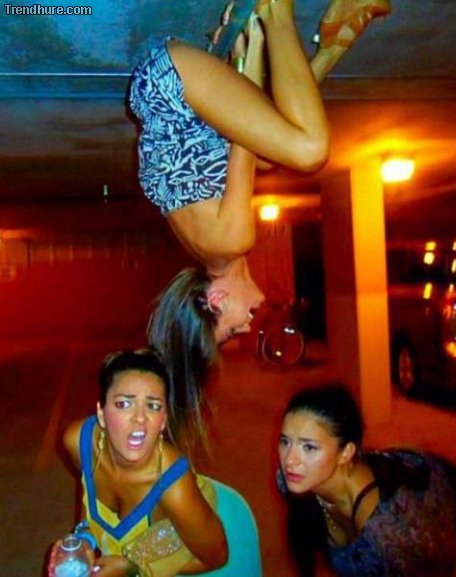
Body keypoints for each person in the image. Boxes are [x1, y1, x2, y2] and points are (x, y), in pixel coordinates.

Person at [130, 0, 392, 446]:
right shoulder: (208, 250)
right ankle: (332, 42)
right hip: (168, 92)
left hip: (172, 82)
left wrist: (254, 40)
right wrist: (246, 53)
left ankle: (276, 10)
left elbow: (243, 144)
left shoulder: (231, 241)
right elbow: (246, 148)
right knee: (275, 156)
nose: (248, 326)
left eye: (233, 327)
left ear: (215, 298)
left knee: (309, 151)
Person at [48, 348, 229, 577]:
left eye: (153, 406)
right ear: (101, 413)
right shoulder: (78, 442)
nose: (140, 418)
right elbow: (87, 492)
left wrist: (133, 569)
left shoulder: (173, 486)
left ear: (163, 421)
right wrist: (84, 538)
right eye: (124, 404)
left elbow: (216, 558)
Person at [277, 384, 456, 577]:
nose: (289, 460)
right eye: (285, 441)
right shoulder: (291, 480)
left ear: (346, 453)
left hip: (435, 490)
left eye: (309, 447)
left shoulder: (390, 533)